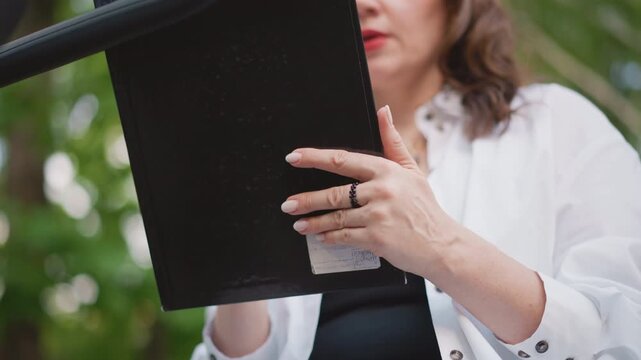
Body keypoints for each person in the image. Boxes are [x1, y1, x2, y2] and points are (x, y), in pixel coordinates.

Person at [191, 0, 641, 359]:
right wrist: (238, 263)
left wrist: (437, 244)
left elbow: (624, 330)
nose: (363, 5)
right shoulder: (286, 163)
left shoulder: (554, 124)